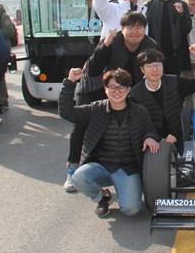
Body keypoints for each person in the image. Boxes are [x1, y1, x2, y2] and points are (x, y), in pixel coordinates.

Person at [63, 11, 160, 192]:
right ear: (122, 29)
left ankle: (131, 167)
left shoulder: (150, 46)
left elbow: (154, 73)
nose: (135, 31)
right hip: (96, 83)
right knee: (81, 123)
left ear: (144, 30)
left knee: (140, 117)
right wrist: (105, 44)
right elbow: (92, 69)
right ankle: (73, 168)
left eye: (139, 27)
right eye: (130, 27)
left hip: (125, 87)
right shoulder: (112, 41)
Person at [59, 68, 160, 218]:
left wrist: (150, 137)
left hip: (128, 168)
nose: (117, 91)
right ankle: (102, 197)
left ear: (128, 90)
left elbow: (151, 130)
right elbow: (66, 112)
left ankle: (126, 188)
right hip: (101, 166)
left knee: (131, 209)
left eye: (122, 87)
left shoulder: (139, 112)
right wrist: (70, 82)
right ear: (105, 89)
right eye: (112, 87)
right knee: (78, 177)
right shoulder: (95, 109)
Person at [130, 45, 195, 156]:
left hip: (178, 143)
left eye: (158, 65)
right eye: (150, 66)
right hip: (150, 148)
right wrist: (161, 140)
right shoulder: (135, 94)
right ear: (142, 69)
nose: (155, 69)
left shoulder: (174, 82)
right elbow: (136, 127)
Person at [143, 0, 192, 76]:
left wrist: (182, 14)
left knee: (173, 86)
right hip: (154, 54)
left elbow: (187, 29)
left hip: (175, 55)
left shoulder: (181, 5)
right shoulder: (149, 6)